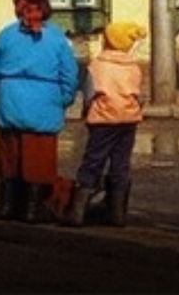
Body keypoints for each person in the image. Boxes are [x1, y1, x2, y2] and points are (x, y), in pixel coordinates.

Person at [0, 0, 80, 223]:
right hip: (44, 105)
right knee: (39, 160)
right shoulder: (58, 38)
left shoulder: (6, 34)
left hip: (10, 100)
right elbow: (70, 74)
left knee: (10, 158)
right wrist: (63, 100)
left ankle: (6, 207)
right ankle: (32, 210)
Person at [63, 21, 147, 228]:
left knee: (93, 161)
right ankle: (118, 214)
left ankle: (77, 212)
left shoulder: (97, 65)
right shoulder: (134, 66)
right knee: (121, 164)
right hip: (128, 120)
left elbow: (90, 95)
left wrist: (86, 112)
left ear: (107, 41)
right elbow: (139, 95)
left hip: (103, 119)